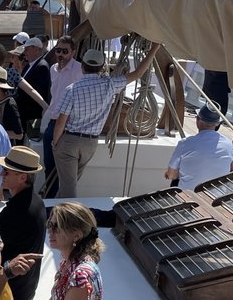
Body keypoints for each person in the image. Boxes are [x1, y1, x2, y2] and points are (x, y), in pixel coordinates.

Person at [53, 43, 161, 197]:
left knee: (68, 187)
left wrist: (55, 143)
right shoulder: (110, 85)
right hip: (90, 144)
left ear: (82, 65)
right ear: (102, 66)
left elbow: (60, 122)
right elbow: (137, 73)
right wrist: (154, 48)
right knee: (69, 184)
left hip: (69, 141)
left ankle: (67, 218)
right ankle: (56, 216)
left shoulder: (72, 89)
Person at [0, 146, 47, 300]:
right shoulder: (37, 202)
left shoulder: (14, 212)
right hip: (27, 288)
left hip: (12, 292)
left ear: (22, 177)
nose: (1, 174)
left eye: (6, 172)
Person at [43, 36, 82, 197]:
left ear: (73, 52)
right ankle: (50, 201)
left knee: (64, 171)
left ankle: (60, 204)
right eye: (58, 50)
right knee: (49, 165)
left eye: (65, 51)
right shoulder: (53, 69)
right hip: (53, 122)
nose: (60, 54)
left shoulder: (79, 70)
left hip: (69, 125)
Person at [164, 102, 233, 190]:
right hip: (216, 197)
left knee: (174, 181)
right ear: (217, 124)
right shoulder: (228, 143)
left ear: (198, 120)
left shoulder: (185, 143)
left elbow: (171, 175)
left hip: (190, 196)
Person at [15, 37, 51, 135]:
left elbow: (39, 92)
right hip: (24, 114)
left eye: (27, 49)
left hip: (32, 115)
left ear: (36, 49)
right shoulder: (28, 65)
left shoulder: (42, 67)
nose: (24, 52)